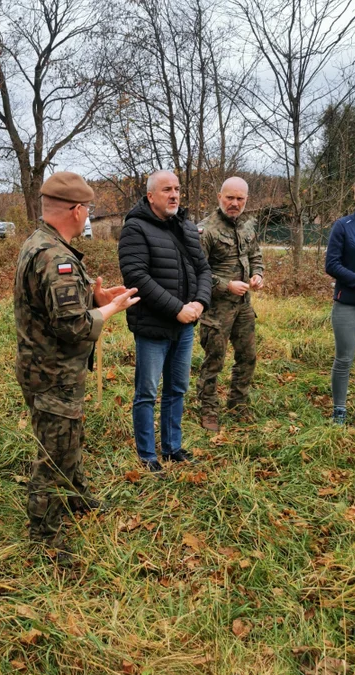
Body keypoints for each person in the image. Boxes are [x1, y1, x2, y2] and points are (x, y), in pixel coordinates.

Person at [14, 171, 139, 564]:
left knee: (67, 438)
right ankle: (45, 537)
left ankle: (77, 497)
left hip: (47, 368)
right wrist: (110, 308)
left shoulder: (41, 243)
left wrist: (93, 296)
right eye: (88, 210)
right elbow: (72, 326)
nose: (89, 216)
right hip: (53, 371)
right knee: (54, 454)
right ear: (78, 210)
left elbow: (54, 305)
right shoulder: (56, 257)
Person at [118, 170, 212, 473]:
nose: (174, 195)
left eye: (177, 189)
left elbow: (203, 270)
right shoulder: (135, 228)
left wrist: (199, 302)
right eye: (167, 190)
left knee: (177, 388)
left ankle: (172, 448)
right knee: (147, 392)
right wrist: (176, 309)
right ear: (150, 196)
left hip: (185, 325)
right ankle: (147, 455)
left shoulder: (185, 226)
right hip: (153, 326)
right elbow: (137, 277)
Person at [196, 177, 264, 433]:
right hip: (216, 308)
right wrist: (226, 285)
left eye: (240, 199)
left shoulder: (248, 225)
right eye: (230, 198)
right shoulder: (205, 230)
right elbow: (197, 271)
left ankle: (238, 404)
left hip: (244, 306)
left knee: (247, 357)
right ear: (219, 197)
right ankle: (208, 408)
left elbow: (255, 255)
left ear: (246, 200)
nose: (234, 203)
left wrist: (258, 274)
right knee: (214, 359)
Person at [325, 173, 355, 425]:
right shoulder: (343, 225)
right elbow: (331, 264)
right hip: (347, 304)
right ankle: (339, 409)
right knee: (344, 359)